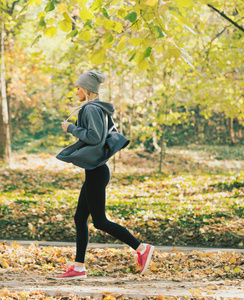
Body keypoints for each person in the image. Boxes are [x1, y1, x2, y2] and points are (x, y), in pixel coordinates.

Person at [55, 71, 154, 280]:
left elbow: (95, 137)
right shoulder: (95, 108)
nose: (77, 91)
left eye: (79, 88)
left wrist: (71, 128)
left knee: (99, 221)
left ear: (87, 89)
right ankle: (79, 267)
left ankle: (142, 248)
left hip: (97, 172)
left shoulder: (91, 108)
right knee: (80, 217)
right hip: (96, 171)